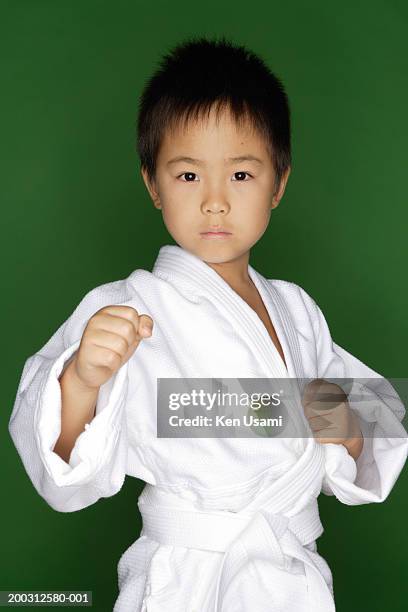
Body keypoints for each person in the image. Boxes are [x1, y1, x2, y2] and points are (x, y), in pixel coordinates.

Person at [9, 35, 407, 611]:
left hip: (289, 573)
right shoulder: (127, 308)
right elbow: (63, 462)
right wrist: (81, 380)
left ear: (279, 183)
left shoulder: (296, 309)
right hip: (185, 578)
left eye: (241, 176)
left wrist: (336, 422)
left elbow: (372, 422)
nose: (215, 201)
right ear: (153, 184)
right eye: (189, 176)